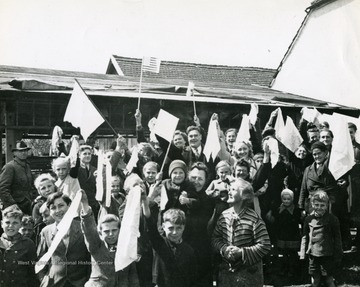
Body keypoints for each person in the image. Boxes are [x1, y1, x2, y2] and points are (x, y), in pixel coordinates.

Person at [212, 178, 271, 286]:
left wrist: (242, 252)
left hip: (249, 274)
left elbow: (265, 245)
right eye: (229, 189)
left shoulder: (254, 219)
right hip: (227, 273)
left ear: (244, 196)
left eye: (233, 189)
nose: (229, 191)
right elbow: (215, 238)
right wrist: (224, 249)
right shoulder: (224, 216)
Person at [79, 189, 139, 287]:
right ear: (100, 233)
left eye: (114, 230)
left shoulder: (126, 247)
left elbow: (133, 277)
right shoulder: (96, 246)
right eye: (106, 231)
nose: (110, 234)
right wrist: (84, 204)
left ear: (120, 230)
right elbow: (89, 231)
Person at [142, 195, 197, 287]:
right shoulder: (160, 244)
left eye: (178, 228)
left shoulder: (189, 251)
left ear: (183, 228)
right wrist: (144, 202)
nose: (174, 232)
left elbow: (192, 278)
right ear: (163, 227)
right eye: (171, 228)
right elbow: (150, 223)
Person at [37, 192, 91, 287]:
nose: (58, 211)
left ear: (69, 206)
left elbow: (91, 257)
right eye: (53, 208)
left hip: (80, 282)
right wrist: (44, 279)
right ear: (49, 211)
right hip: (54, 283)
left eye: (61, 205)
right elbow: (41, 259)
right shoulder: (46, 231)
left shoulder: (82, 227)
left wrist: (89, 281)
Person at [300, 191, 343, 287]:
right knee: (315, 280)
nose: (319, 208)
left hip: (327, 254)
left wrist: (338, 253)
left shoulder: (332, 219)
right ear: (312, 204)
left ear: (327, 205)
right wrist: (303, 253)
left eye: (322, 205)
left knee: (328, 279)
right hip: (313, 254)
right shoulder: (308, 219)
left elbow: (337, 238)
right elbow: (305, 237)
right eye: (316, 205)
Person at [0, 205, 38, 287]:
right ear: (1, 224)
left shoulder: (28, 244)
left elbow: (32, 271)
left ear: (20, 224)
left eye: (15, 223)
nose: (10, 226)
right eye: (7, 222)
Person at [272, 189, 302, 278]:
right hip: (282, 235)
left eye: (288, 199)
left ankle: (293, 269)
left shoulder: (295, 210)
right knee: (284, 253)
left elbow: (298, 220)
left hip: (292, 235)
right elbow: (276, 222)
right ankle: (284, 268)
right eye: (284, 199)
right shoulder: (279, 210)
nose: (286, 201)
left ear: (292, 199)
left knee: (293, 253)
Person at [0, 140, 35, 214]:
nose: (23, 153)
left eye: (25, 151)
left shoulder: (27, 166)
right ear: (14, 153)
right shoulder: (10, 167)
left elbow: (31, 186)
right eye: (20, 151)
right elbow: (2, 188)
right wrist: (13, 204)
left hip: (27, 205)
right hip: (14, 207)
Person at [77, 145, 99, 219]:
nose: (87, 156)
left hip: (93, 203)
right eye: (85, 154)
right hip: (80, 203)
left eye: (89, 154)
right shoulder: (76, 169)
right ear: (79, 155)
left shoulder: (95, 169)